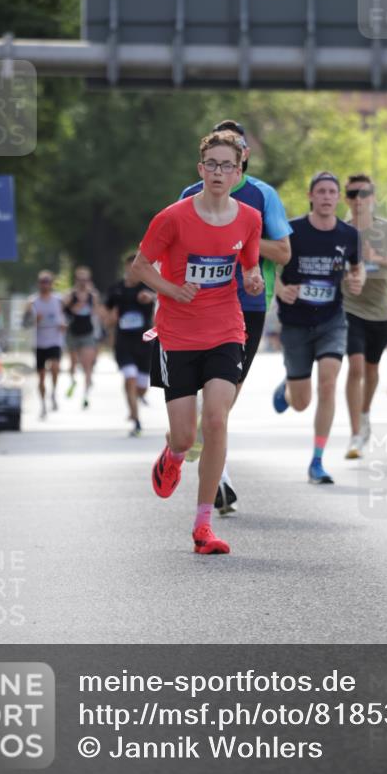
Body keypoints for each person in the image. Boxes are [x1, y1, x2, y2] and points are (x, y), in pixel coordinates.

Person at [131, 130, 263, 555]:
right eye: (212, 165)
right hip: (177, 335)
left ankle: (203, 525)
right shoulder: (172, 217)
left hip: (226, 329)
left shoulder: (249, 219)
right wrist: (170, 289)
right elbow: (140, 267)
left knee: (218, 420)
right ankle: (171, 456)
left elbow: (249, 266)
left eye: (228, 165)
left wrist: (254, 278)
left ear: (239, 171)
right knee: (186, 437)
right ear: (200, 169)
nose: (219, 172)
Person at [180, 118, 291, 513]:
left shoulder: (263, 196)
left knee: (223, 401)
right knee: (209, 403)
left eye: (237, 151)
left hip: (246, 307)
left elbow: (282, 253)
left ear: (243, 158)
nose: (225, 164)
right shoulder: (190, 194)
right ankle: (219, 480)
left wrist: (238, 237)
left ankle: (209, 460)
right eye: (217, 158)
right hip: (196, 305)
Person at [273, 171, 364, 483]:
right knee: (301, 403)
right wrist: (280, 289)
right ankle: (288, 388)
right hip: (295, 323)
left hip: (331, 321)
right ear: (311, 196)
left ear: (338, 198)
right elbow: (273, 264)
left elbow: (357, 268)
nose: (326, 197)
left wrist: (357, 280)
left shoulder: (348, 235)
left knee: (327, 382)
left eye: (331, 192)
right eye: (321, 192)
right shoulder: (292, 230)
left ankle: (317, 460)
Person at [342, 174, 387, 458]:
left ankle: (365, 413)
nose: (359, 199)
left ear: (373, 197)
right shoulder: (340, 229)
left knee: (371, 371)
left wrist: (377, 258)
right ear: (347, 198)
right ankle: (355, 432)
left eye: (365, 193)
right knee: (356, 368)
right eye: (353, 193)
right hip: (349, 307)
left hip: (381, 311)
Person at [105, 253, 156, 437]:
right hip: (123, 342)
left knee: (141, 386)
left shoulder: (149, 286)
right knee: (130, 378)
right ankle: (136, 421)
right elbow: (106, 312)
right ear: (126, 268)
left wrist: (149, 298)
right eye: (130, 267)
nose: (133, 270)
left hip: (144, 343)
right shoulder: (116, 289)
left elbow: (158, 301)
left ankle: (137, 398)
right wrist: (109, 320)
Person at [25, 271, 66, 419]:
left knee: (55, 367)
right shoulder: (32, 302)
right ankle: (43, 405)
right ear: (38, 283)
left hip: (55, 340)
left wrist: (63, 325)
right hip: (39, 343)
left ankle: (53, 393)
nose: (45, 284)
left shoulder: (58, 300)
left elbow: (66, 317)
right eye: (42, 281)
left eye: (47, 281)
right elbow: (24, 324)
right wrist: (34, 320)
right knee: (41, 377)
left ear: (51, 284)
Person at [63, 266, 98, 409]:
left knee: (87, 365)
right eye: (80, 279)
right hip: (73, 332)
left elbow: (96, 313)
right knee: (72, 362)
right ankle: (72, 381)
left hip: (87, 333)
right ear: (76, 280)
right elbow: (63, 311)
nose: (83, 282)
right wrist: (73, 308)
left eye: (86, 279)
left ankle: (86, 395)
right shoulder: (70, 295)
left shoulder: (92, 296)